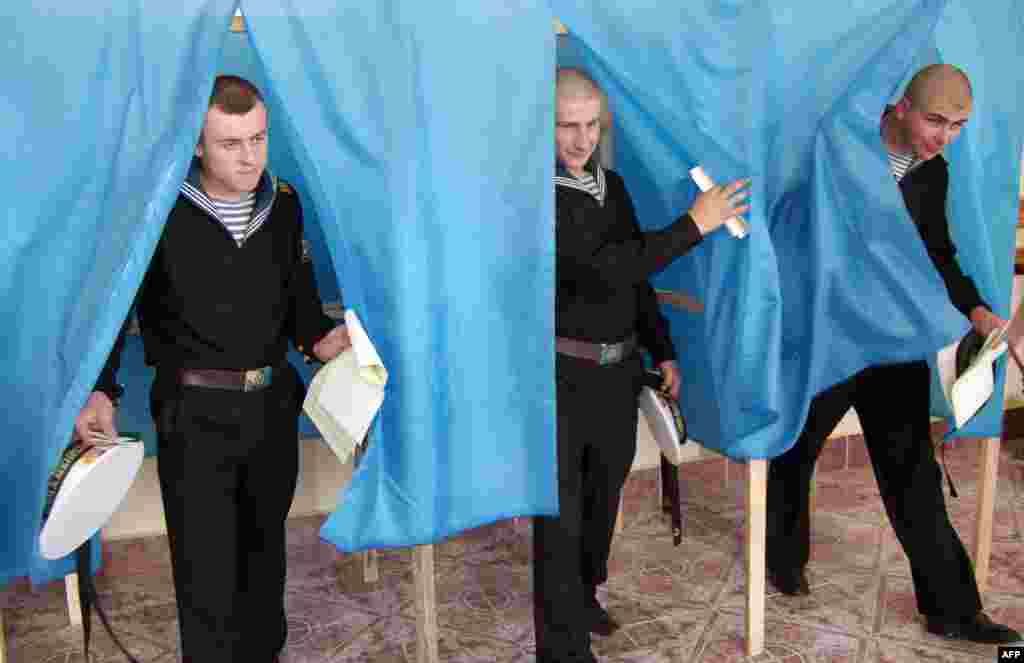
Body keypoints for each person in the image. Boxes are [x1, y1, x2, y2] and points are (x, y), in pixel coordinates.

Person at [73, 75, 351, 663]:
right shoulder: (157, 210)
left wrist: (337, 342)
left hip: (271, 409)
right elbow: (114, 306)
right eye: (230, 143)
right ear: (196, 144)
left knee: (263, 559)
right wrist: (99, 388)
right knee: (205, 574)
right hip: (193, 415)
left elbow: (302, 311)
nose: (249, 156)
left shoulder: (284, 204)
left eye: (258, 138)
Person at [765, 64, 1021, 644]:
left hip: (890, 340)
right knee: (792, 450)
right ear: (900, 107)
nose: (944, 136)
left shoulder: (933, 175)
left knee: (913, 475)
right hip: (828, 338)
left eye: (957, 126)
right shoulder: (840, 145)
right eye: (935, 120)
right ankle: (784, 559)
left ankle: (953, 610)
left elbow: (935, 253)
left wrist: (979, 311)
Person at [533, 67, 750, 663]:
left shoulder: (614, 186)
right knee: (561, 512)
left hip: (618, 371)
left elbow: (635, 279)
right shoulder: (533, 193)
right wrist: (693, 225)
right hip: (561, 374)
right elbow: (601, 269)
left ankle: (583, 598)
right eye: (566, 126)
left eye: (591, 126)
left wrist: (663, 349)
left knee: (603, 496)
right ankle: (561, 647)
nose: (580, 141)